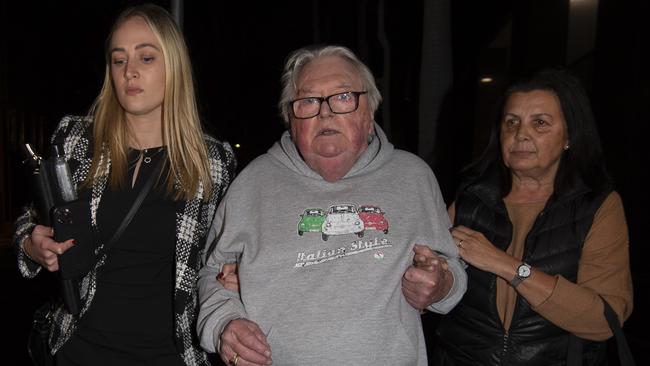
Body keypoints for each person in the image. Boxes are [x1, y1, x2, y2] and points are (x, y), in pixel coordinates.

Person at [196, 45, 467, 366]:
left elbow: (453, 272)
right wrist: (225, 324)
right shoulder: (252, 184)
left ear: (370, 114)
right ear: (290, 119)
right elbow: (211, 273)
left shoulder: (413, 177)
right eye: (308, 101)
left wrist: (440, 286)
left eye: (343, 97)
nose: (325, 112)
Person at [12, 4, 236, 365]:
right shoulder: (76, 140)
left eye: (146, 58)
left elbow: (223, 258)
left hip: (169, 355)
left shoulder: (212, 161)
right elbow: (29, 218)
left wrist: (236, 277)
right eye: (119, 61)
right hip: (78, 351)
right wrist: (30, 243)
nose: (130, 72)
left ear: (174, 66)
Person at [411, 69, 633, 365]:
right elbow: (431, 289)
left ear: (569, 136)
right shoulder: (470, 200)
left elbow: (603, 319)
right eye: (511, 122)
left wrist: (505, 264)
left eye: (540, 123)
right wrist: (427, 277)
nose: (521, 134)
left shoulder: (598, 207)